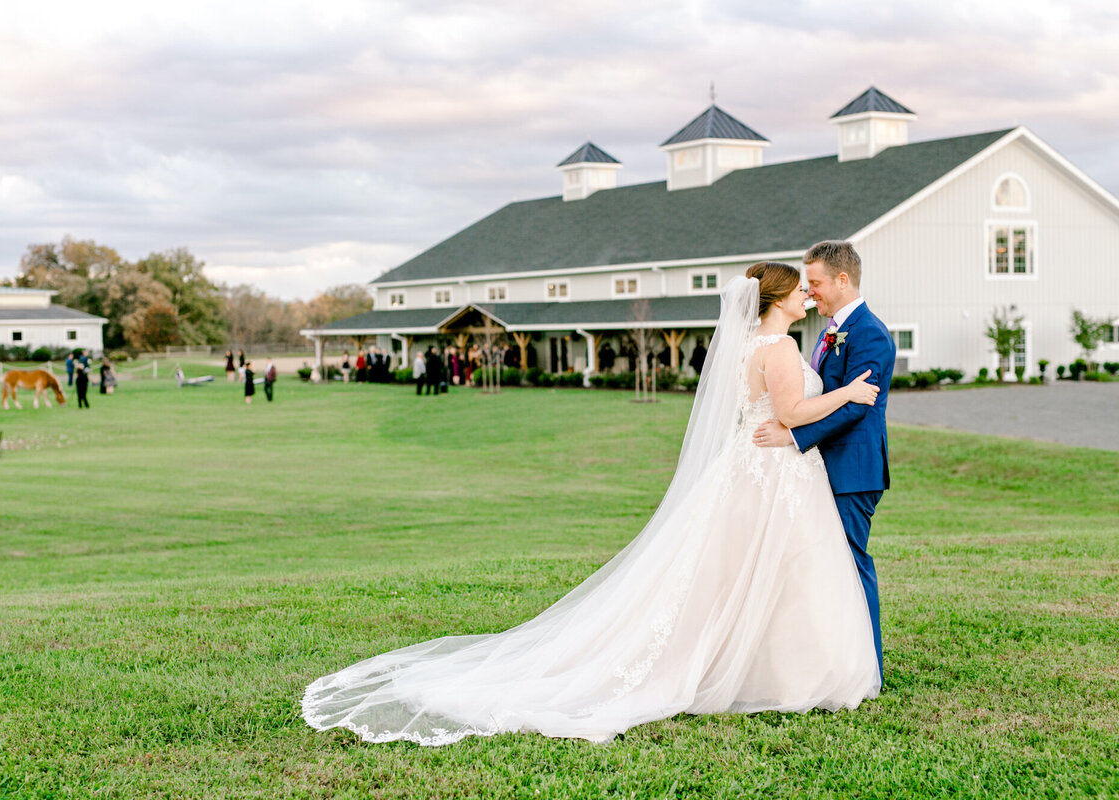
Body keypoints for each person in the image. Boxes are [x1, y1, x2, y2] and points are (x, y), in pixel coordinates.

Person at [302, 262, 882, 746]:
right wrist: (848, 393)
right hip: (771, 470)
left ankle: (768, 665)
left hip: (756, 467)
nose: (810, 297)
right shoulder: (777, 347)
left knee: (751, 573)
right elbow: (790, 413)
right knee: (777, 569)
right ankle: (787, 671)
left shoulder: (750, 345)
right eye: (802, 290)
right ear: (777, 299)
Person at [753, 240, 895, 684]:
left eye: (814, 283)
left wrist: (793, 434)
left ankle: (866, 665)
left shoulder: (870, 333)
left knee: (851, 565)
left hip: (851, 470)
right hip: (815, 468)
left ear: (842, 279)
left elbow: (858, 406)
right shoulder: (828, 330)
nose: (810, 292)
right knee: (819, 567)